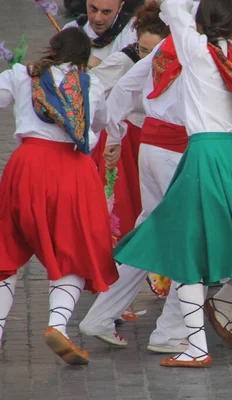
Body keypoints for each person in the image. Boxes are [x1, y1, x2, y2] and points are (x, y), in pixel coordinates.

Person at [112, 0, 232, 368]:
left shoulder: (197, 49)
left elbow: (171, 8)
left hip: (205, 154)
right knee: (227, 252)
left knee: (186, 248)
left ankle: (196, 346)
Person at [0, 28, 118, 365]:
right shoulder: (90, 84)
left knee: (6, 248)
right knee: (74, 249)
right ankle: (57, 325)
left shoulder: (23, 74)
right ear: (84, 58)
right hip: (71, 171)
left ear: (52, 48)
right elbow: (98, 124)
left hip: (26, 165)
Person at [90, 0, 170, 242]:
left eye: (153, 51)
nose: (146, 58)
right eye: (143, 50)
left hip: (157, 142)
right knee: (124, 217)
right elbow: (91, 87)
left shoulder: (175, 64)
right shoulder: (126, 61)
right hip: (125, 141)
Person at [63, 0, 138, 64]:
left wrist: (102, 67)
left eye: (106, 12)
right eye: (93, 9)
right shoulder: (71, 30)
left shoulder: (133, 32)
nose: (97, 18)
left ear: (120, 7)